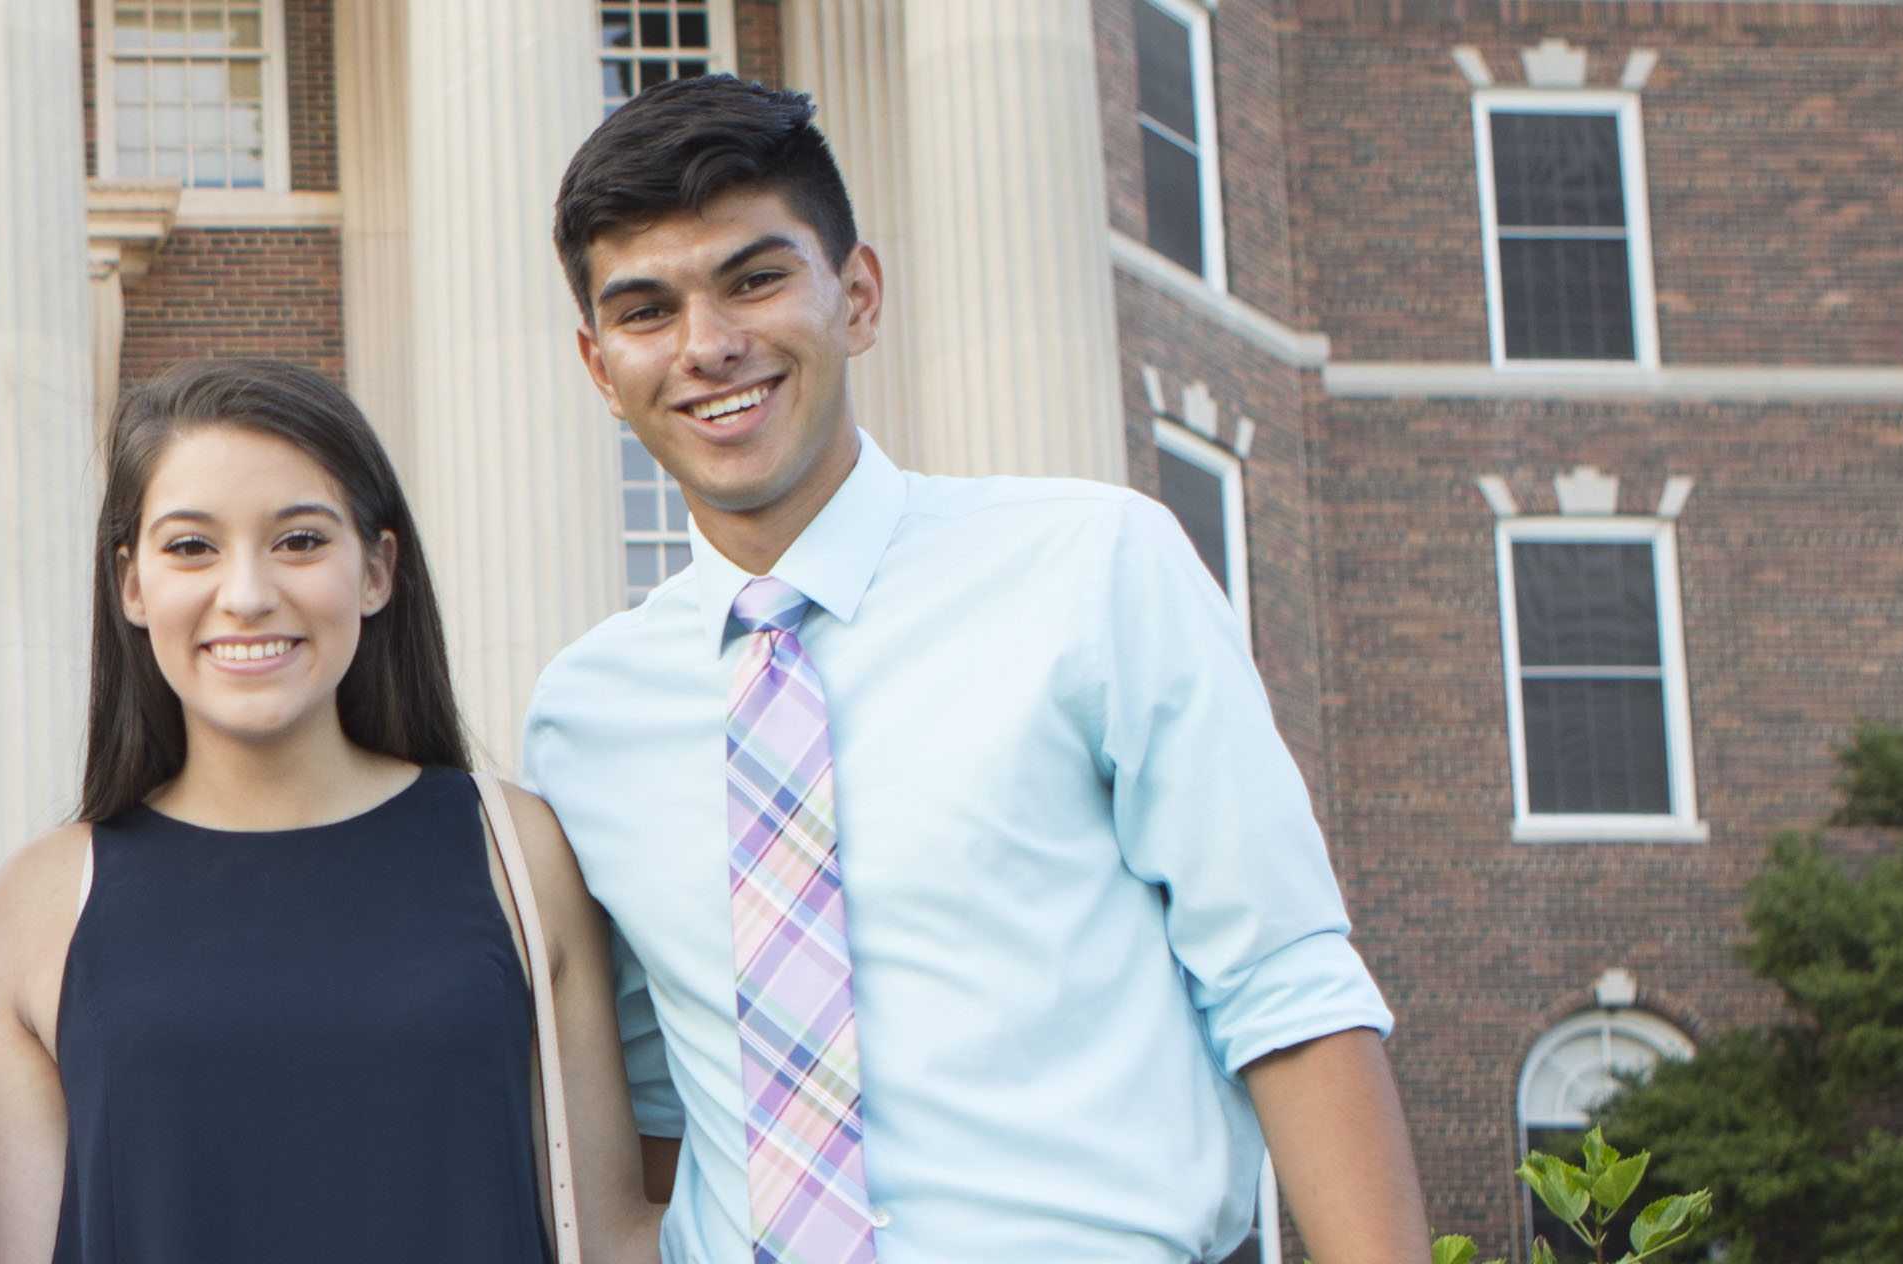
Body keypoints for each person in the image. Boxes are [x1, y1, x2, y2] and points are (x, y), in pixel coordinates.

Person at [514, 76, 1436, 1264]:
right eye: (647, 309)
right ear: (600, 368)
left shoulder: (1094, 569)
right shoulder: (585, 719)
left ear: (857, 295)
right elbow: (655, 1117)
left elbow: (1285, 986)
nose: (709, 345)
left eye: (755, 278)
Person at [0, 359, 660, 1264]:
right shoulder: (46, 895)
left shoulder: (513, 847)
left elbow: (610, 1235)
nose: (247, 593)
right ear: (132, 585)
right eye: (191, 547)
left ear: (377, 571)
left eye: (298, 541)